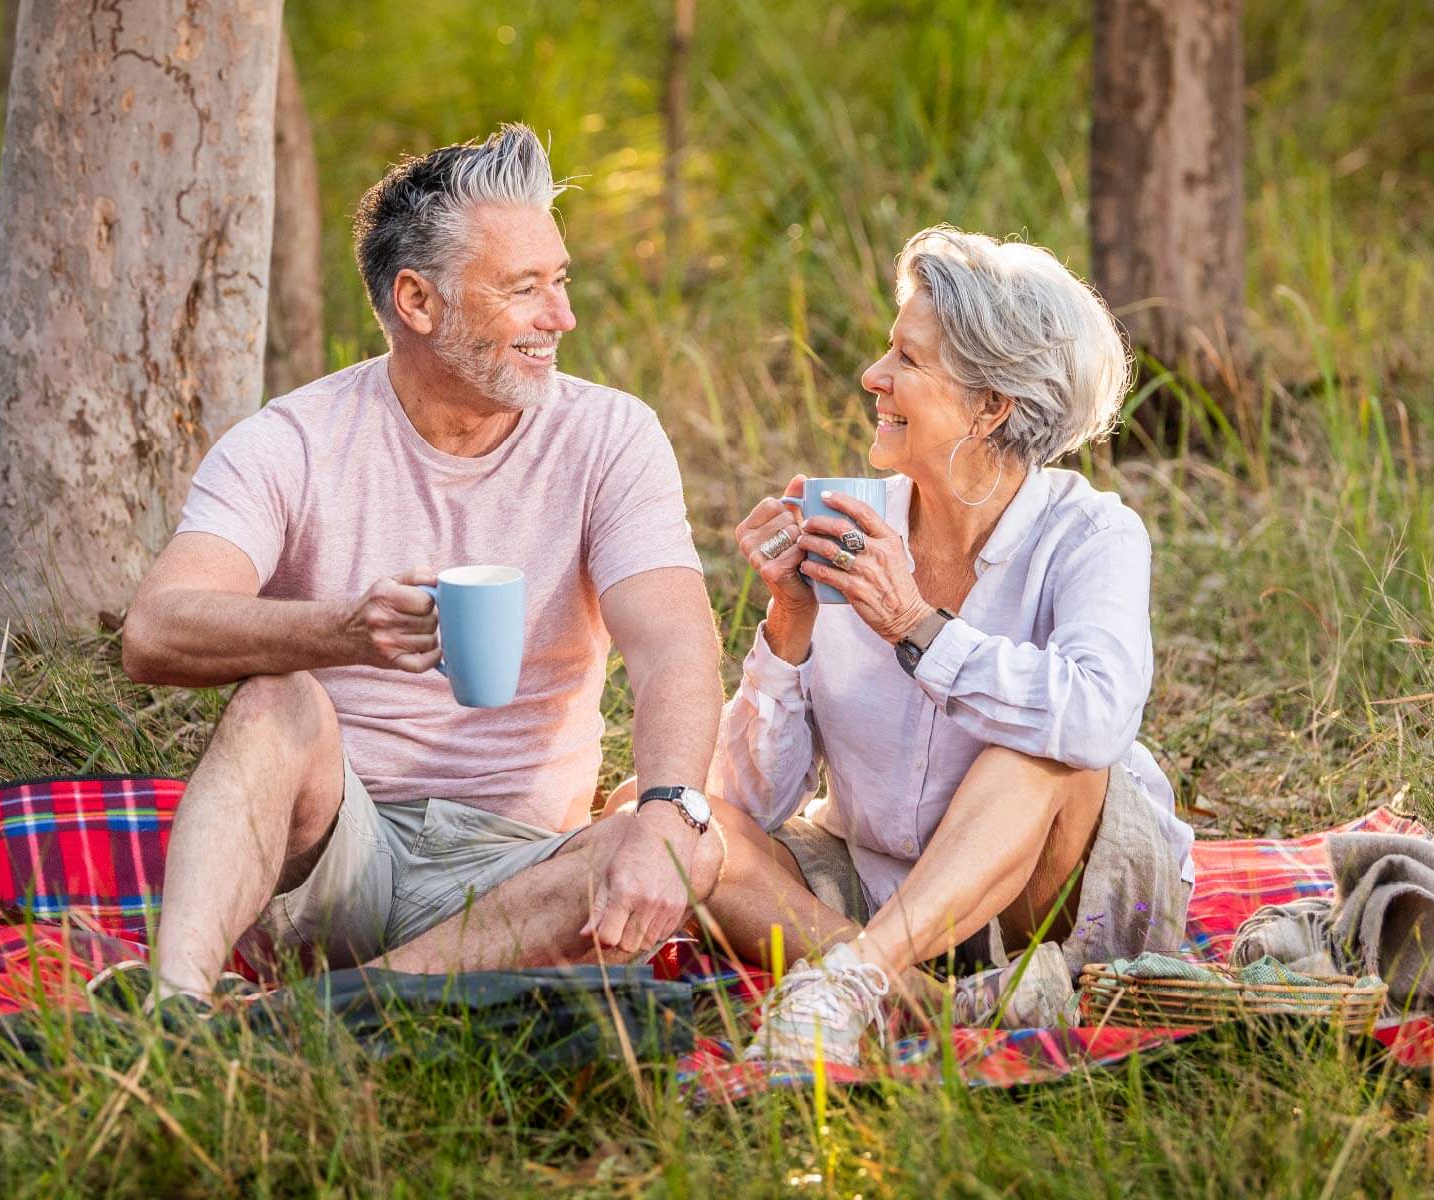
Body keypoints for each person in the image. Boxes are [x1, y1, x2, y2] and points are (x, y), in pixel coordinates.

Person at [121, 125, 724, 1005]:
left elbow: (675, 645)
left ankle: (325, 1011)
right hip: (335, 852)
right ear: (418, 300)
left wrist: (670, 808)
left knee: (676, 836)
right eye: (525, 290)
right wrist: (340, 632)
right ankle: (172, 1013)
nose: (563, 318)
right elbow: (154, 629)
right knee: (274, 699)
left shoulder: (610, 436)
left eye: (560, 282)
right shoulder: (295, 440)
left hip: (522, 872)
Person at [694, 226, 1195, 1065]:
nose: (872, 378)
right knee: (668, 815)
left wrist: (916, 628)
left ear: (991, 405)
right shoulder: (852, 524)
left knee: (1041, 746)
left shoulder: (1091, 533)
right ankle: (913, 995)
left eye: (908, 361)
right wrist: (790, 627)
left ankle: (853, 977)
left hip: (1054, 892)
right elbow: (749, 801)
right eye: (887, 351)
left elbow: (1100, 718)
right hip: (874, 878)